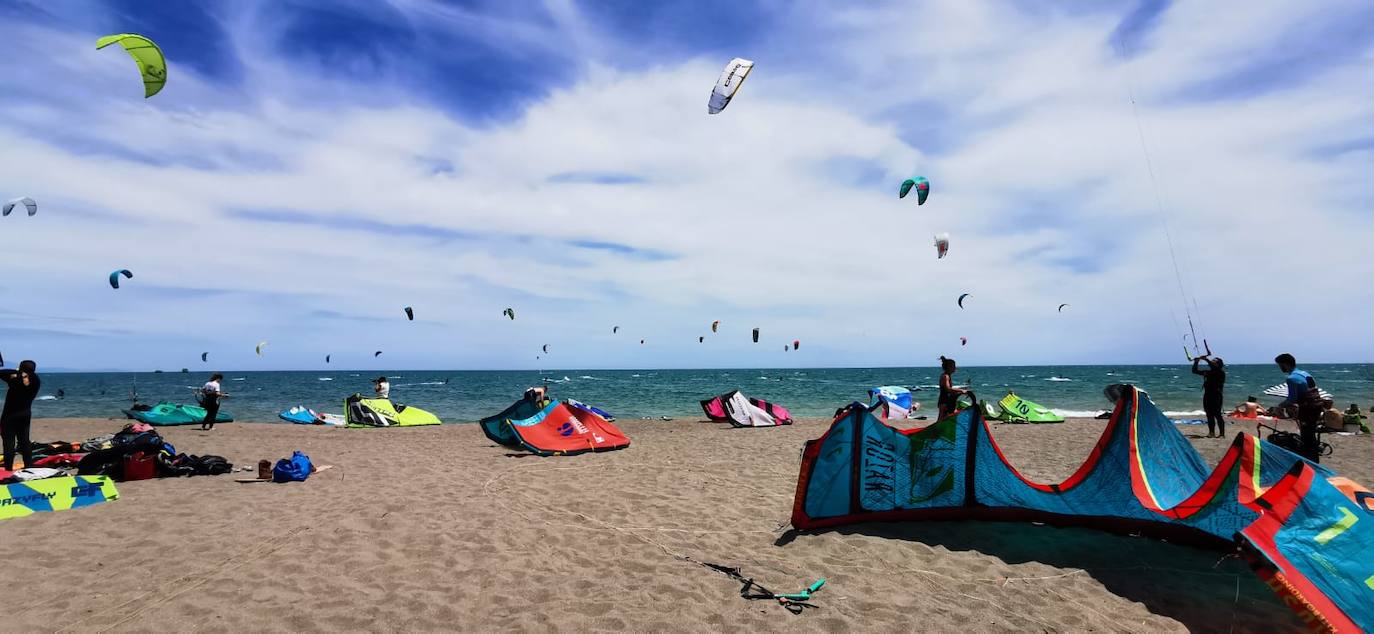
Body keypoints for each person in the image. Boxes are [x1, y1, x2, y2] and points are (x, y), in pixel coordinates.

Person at [1275, 353, 1323, 462]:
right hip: (1317, 407)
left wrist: (1280, 406)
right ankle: (1314, 459)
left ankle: (1310, 462)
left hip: (1307, 410)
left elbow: (1292, 399)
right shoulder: (1305, 374)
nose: (1280, 368)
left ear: (1285, 364)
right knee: (1311, 435)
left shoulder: (1291, 378)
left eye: (1280, 365)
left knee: (1307, 437)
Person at [1, 360, 40, 471]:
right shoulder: (36, 380)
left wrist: (18, 372)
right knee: (24, 441)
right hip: (25, 415)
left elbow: (1, 373)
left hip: (10, 416)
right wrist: (22, 373)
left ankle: (8, 469)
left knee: (9, 443)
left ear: (21, 368)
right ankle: (29, 466)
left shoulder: (15, 379)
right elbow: (28, 376)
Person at [1192, 355, 1226, 437]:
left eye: (1214, 360)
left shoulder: (1220, 372)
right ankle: (1211, 433)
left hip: (1216, 396)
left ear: (1218, 364)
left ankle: (1221, 434)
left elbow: (1214, 368)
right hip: (1207, 396)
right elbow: (1195, 371)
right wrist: (1196, 362)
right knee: (1209, 415)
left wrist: (1206, 359)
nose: (1212, 361)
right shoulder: (1209, 372)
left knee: (1217, 414)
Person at [937, 356, 967, 421]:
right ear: (949, 367)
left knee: (945, 419)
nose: (955, 368)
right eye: (954, 366)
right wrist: (961, 390)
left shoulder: (947, 375)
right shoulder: (945, 376)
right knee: (941, 420)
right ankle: (934, 431)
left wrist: (958, 392)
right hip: (944, 402)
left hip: (946, 401)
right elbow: (948, 389)